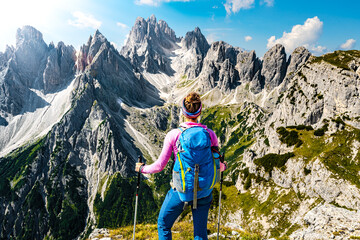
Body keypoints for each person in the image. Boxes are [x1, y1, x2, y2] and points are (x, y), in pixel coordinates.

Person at [135, 92, 226, 240]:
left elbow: (159, 166)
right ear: (200, 111)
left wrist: (142, 168)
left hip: (181, 190)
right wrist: (224, 166)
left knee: (163, 224)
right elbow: (218, 165)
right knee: (200, 232)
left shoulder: (174, 135)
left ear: (183, 112)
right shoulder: (210, 134)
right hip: (204, 190)